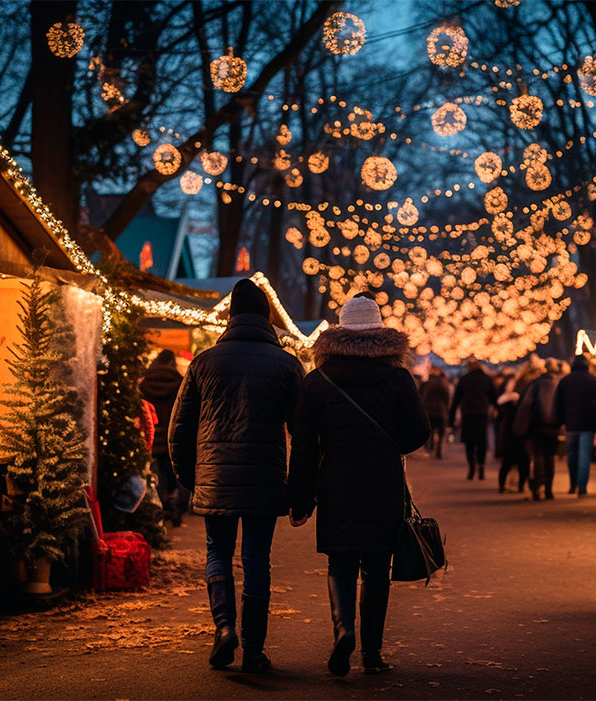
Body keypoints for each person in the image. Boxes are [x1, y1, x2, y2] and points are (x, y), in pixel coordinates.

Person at [288, 296, 431, 676]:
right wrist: (389, 446)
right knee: (376, 567)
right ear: (381, 332)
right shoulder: (398, 378)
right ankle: (372, 654)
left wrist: (300, 500)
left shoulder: (317, 381)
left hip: (335, 481)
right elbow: (420, 432)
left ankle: (343, 630)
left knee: (340, 560)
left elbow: (303, 446)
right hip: (383, 482)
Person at [168, 279, 304, 673]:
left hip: (215, 477)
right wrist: (298, 489)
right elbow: (302, 432)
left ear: (230, 317)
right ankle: (255, 650)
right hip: (265, 480)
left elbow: (179, 429)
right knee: (257, 559)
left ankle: (224, 628)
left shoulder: (204, 362)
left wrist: (191, 478)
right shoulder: (286, 365)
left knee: (217, 554)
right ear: (266, 318)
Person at [140, 349, 186, 526]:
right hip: (173, 437)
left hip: (153, 437)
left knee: (158, 476)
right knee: (178, 474)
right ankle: (176, 508)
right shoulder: (180, 383)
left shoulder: (145, 384)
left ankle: (163, 507)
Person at [554, 355, 596, 495]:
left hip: (570, 423)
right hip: (589, 423)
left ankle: (572, 483)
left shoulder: (565, 381)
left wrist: (560, 422)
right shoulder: (595, 381)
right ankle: (582, 486)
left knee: (571, 455)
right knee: (584, 456)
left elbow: (558, 404)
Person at [514, 358, 564, 501]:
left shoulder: (534, 385)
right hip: (554, 427)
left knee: (538, 456)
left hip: (536, 427)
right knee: (550, 457)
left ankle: (538, 487)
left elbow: (525, 405)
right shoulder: (557, 385)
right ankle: (549, 489)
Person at [496, 360, 542, 494]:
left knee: (509, 460)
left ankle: (504, 485)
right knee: (523, 460)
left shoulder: (515, 386)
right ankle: (521, 485)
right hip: (523, 428)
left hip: (511, 428)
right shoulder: (531, 386)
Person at [450, 360, 497, 480]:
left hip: (468, 414)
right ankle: (481, 468)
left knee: (469, 442)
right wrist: (498, 411)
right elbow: (494, 398)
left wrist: (451, 420)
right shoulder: (486, 379)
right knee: (481, 442)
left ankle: (471, 468)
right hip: (481, 414)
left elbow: (456, 400)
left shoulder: (465, 379)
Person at [420, 368, 450, 458]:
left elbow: (421, 396)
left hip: (428, 410)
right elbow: (446, 398)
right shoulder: (442, 384)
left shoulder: (426, 384)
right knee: (441, 432)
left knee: (430, 430)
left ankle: (429, 448)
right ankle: (438, 450)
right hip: (440, 411)